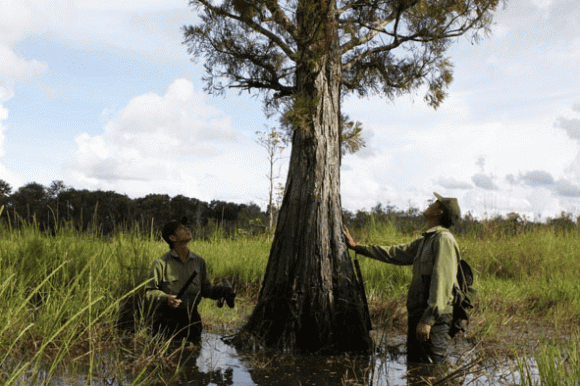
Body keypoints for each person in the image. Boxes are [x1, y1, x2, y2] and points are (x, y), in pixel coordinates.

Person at [344, 193, 461, 366]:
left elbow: (442, 281)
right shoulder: (426, 240)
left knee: (434, 367)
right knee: (415, 365)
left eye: (436, 203)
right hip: (418, 314)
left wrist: (428, 319)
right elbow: (395, 253)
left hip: (432, 318)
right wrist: (357, 247)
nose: (431, 203)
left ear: (439, 213)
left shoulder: (444, 240)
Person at [145, 218, 235, 342]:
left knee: (192, 357)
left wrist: (221, 291)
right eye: (181, 229)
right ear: (172, 238)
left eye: (186, 227)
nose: (187, 229)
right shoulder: (160, 263)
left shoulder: (199, 262)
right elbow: (149, 292)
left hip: (193, 321)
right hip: (167, 323)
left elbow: (206, 290)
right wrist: (167, 299)